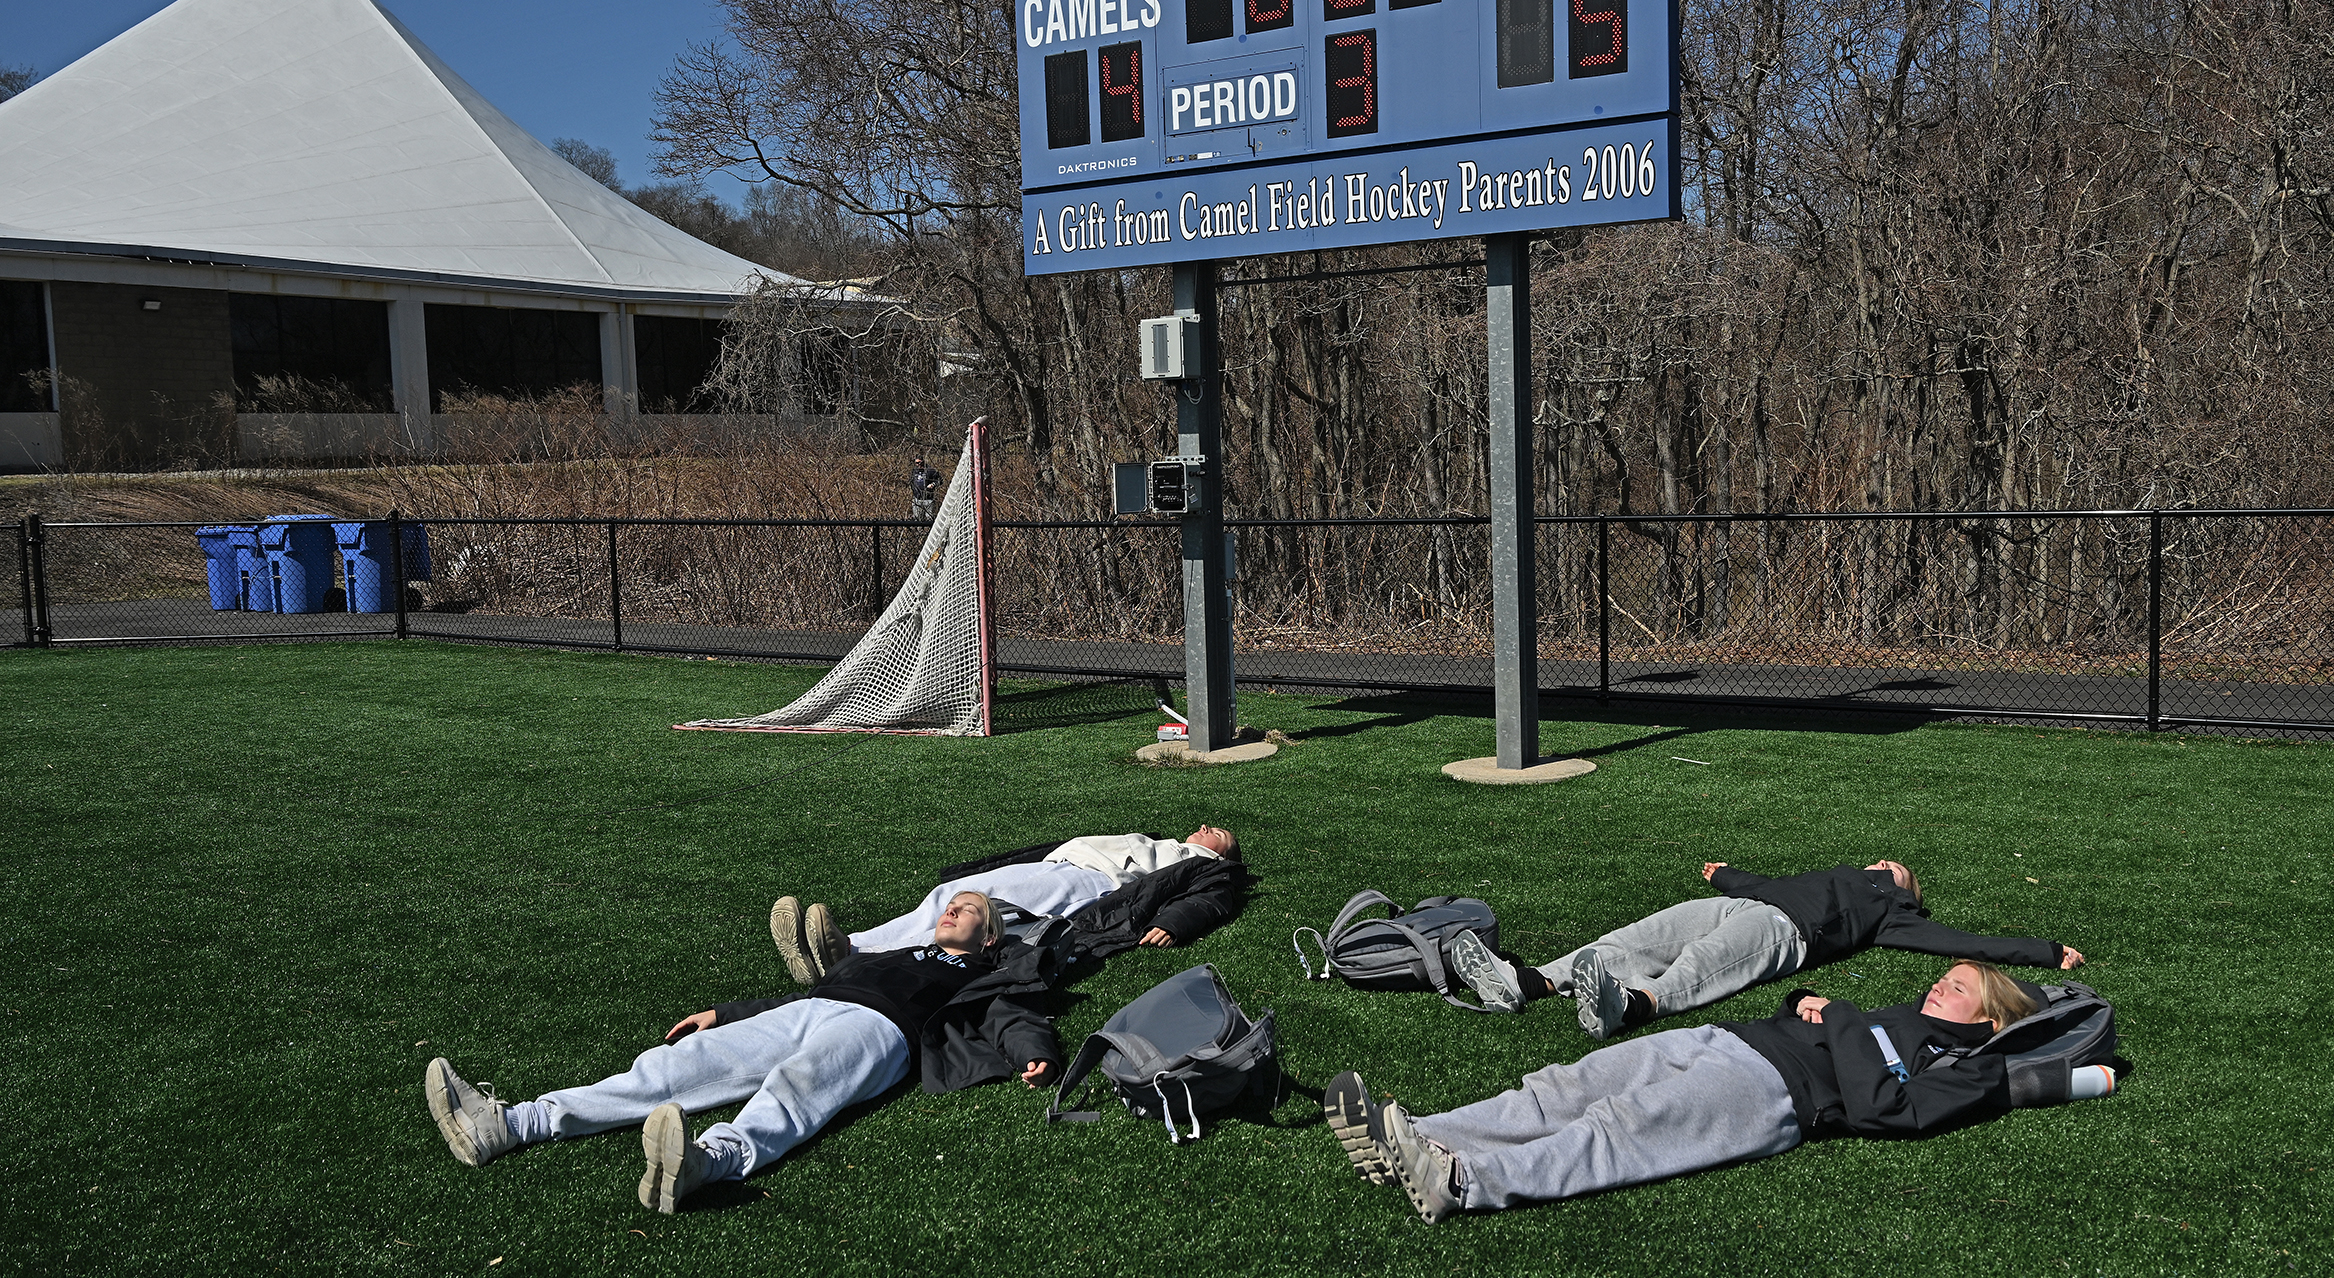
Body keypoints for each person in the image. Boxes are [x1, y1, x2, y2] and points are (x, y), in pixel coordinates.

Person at [424, 890, 1061, 1213]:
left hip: (880, 1033)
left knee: (798, 1090)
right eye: (953, 903)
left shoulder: (982, 973)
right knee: (672, 1069)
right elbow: (818, 988)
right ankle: (507, 1125)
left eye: (970, 908)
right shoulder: (890, 952)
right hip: (810, 1009)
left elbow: (1012, 1012)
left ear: (990, 935)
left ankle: (705, 1165)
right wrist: (724, 1014)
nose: (954, 907)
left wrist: (1034, 1052)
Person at [1326, 958, 2093, 1223]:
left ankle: (1462, 1180)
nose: (1938, 985)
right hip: (1729, 1039)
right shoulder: (1906, 1019)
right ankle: (1419, 1135)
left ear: (1989, 1016)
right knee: (1562, 1086)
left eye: (1956, 987)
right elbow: (1837, 1025)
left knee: (1620, 1127)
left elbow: (1884, 1110)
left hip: (1773, 1091)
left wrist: (1843, 1019)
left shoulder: (1958, 1062)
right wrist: (1809, 1008)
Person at [1443, 859, 2084, 1037]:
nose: (1891, 861)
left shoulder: (1892, 913)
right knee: (1633, 939)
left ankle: (1629, 1007)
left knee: (1697, 969)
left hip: (1783, 937)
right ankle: (1524, 984)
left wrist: (2046, 951)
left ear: (1907, 893)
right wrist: (1726, 878)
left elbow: (1962, 943)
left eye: (1902, 869)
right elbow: (1774, 885)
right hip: (1746, 905)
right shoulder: (1842, 874)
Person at [772, 826, 1245, 984]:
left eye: (1217, 833)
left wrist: (1173, 923)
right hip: (1058, 864)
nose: (1206, 828)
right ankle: (849, 946)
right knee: (951, 899)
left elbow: (1214, 900)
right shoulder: (1167, 840)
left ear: (1221, 850)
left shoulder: (1206, 865)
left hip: (1088, 885)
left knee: (978, 915)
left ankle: (850, 957)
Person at [908, 455, 942, 522]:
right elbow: (911, 481)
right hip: (917, 498)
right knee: (917, 518)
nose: (918, 465)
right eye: (916, 463)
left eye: (920, 462)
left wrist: (933, 484)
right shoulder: (914, 471)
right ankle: (918, 532)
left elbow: (939, 480)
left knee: (929, 518)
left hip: (928, 499)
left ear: (923, 461)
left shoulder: (930, 470)